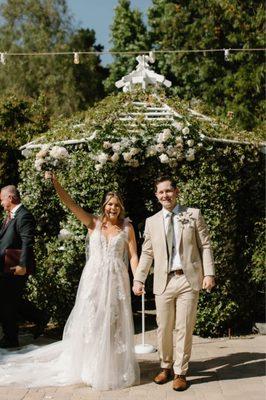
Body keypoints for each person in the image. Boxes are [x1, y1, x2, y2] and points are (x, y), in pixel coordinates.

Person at [0, 173, 139, 390]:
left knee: (112, 323)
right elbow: (70, 204)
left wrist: (137, 279)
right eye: (110, 204)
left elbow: (133, 256)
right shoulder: (92, 223)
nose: (113, 208)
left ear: (121, 208)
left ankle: (110, 366)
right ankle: (89, 366)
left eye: (117, 205)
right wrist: (57, 185)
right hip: (94, 279)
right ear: (104, 206)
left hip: (116, 281)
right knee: (92, 322)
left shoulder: (128, 228)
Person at [133, 175, 215, 391]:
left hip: (188, 279)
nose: (165, 195)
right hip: (163, 281)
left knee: (184, 327)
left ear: (176, 192)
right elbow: (147, 252)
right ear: (156, 196)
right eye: (160, 192)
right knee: (164, 327)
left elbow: (205, 245)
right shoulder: (151, 222)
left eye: (168, 191)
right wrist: (139, 278)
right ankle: (165, 366)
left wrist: (209, 273)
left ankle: (180, 372)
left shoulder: (193, 215)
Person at [0, 185, 48, 348]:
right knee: (10, 301)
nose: (1, 204)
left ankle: (11, 338)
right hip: (7, 265)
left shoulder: (24, 216)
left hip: (16, 266)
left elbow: (28, 242)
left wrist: (22, 266)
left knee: (7, 302)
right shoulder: (11, 215)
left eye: (2, 200)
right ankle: (40, 317)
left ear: (11, 198)